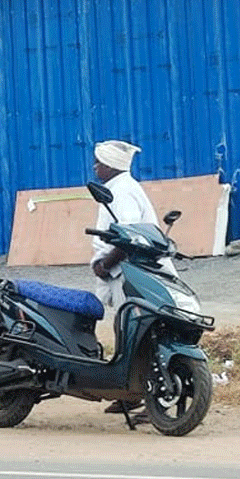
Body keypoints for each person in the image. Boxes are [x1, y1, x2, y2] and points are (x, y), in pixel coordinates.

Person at [89, 139, 178, 417]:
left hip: (131, 273)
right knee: (131, 330)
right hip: (133, 271)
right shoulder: (119, 187)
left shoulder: (122, 192)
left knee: (138, 331)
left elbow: (129, 239)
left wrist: (106, 264)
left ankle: (139, 392)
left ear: (111, 166)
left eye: (99, 163)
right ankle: (131, 391)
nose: (95, 167)